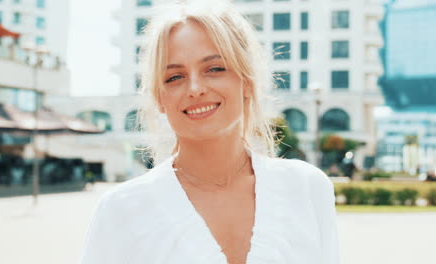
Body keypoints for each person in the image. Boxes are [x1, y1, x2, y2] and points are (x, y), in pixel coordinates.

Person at [80, 1, 339, 263]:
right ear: (160, 97)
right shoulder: (120, 210)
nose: (195, 88)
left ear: (246, 81)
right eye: (174, 77)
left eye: (214, 69)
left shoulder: (307, 188)